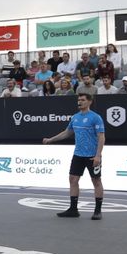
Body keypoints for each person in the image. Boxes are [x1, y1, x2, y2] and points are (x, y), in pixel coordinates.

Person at [41, 92, 105, 220]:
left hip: (92, 155)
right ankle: (73, 209)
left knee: (96, 181)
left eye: (83, 100)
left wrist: (98, 155)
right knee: (73, 180)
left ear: (89, 102)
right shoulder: (75, 117)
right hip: (78, 154)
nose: (79, 102)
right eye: (78, 100)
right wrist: (51, 140)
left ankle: (98, 211)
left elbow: (101, 137)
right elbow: (67, 132)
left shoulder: (95, 117)